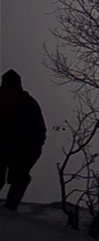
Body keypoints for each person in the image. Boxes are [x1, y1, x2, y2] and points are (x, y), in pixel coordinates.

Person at [0, 69, 46, 211]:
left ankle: (10, 208)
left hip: (20, 149)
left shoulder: (28, 103)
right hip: (15, 148)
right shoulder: (28, 102)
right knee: (20, 178)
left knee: (20, 178)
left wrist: (32, 152)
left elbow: (39, 132)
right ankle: (10, 207)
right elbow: (40, 132)